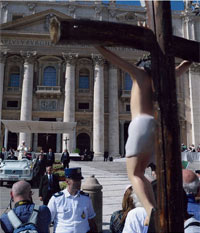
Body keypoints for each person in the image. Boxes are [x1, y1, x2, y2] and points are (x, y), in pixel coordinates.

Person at [95, 45, 192, 225]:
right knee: (156, 171)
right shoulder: (162, 77)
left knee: (135, 173)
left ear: (142, 64)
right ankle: (160, 206)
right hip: (157, 124)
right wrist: (190, 55)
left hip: (141, 123)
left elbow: (114, 59)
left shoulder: (139, 73)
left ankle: (150, 210)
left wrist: (98, 45)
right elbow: (183, 67)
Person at [48, 167, 98, 233]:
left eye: (79, 180)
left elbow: (91, 219)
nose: (79, 183)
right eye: (76, 180)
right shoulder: (56, 199)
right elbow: (46, 221)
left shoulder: (86, 198)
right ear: (67, 181)